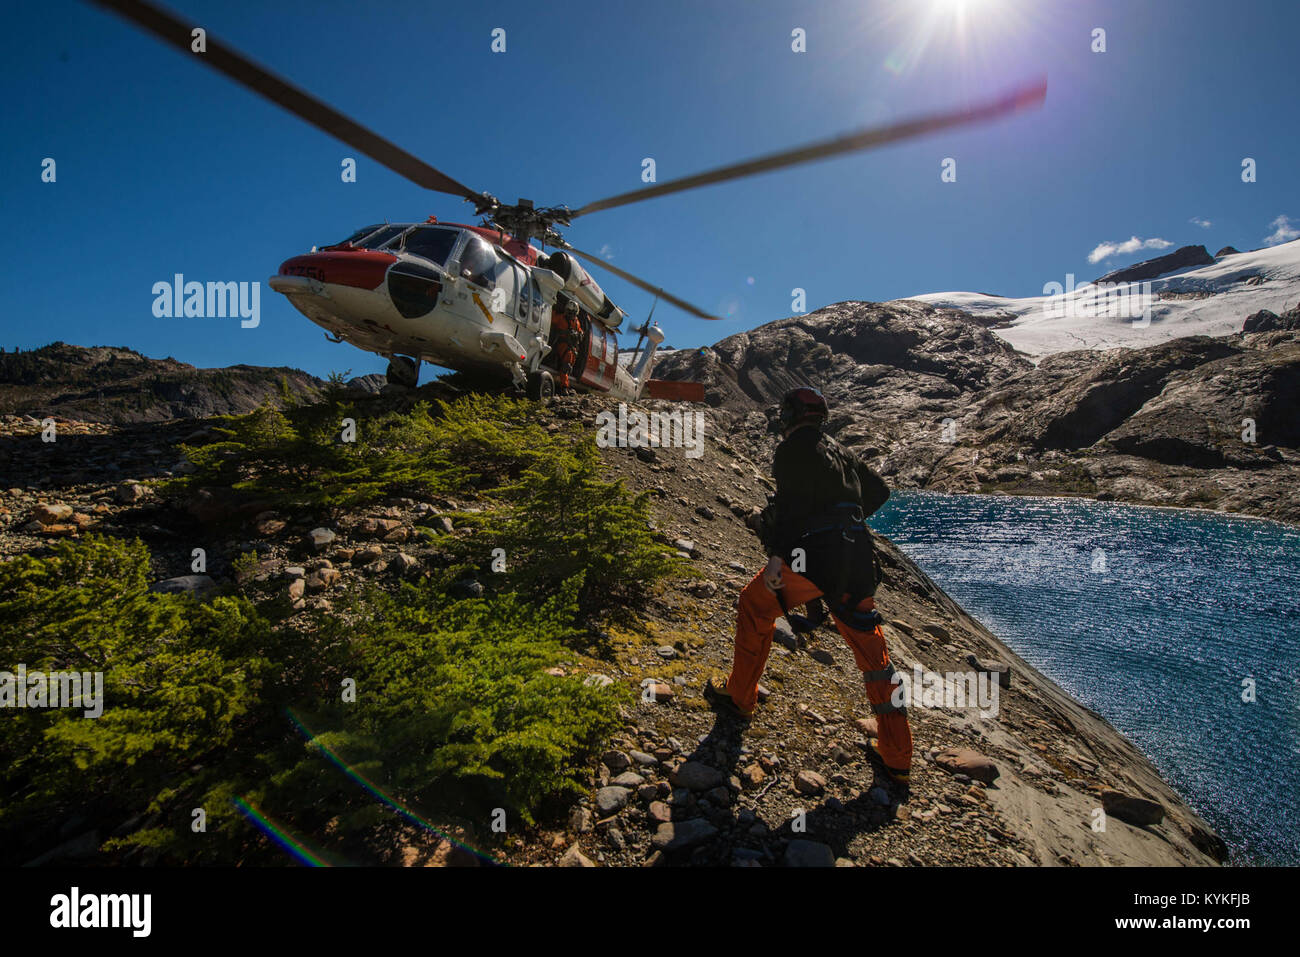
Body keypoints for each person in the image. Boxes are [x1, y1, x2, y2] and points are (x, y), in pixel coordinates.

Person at [705, 386, 913, 784]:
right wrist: (843, 516)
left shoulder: (792, 449)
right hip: (857, 560)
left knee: (754, 606)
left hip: (812, 560)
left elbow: (791, 509)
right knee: (874, 657)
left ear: (791, 414)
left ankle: (740, 698)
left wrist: (776, 559)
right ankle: (898, 758)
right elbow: (881, 491)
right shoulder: (843, 452)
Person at [551, 299, 582, 394]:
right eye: (569, 311)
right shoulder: (561, 318)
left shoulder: (576, 322)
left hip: (572, 348)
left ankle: (565, 385)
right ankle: (564, 387)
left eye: (572, 312)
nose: (570, 313)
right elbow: (551, 319)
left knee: (568, 368)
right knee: (565, 367)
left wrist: (578, 334)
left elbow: (580, 332)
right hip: (563, 345)